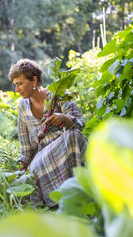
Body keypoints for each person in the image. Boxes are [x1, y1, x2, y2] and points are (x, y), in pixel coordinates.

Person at [8, 59, 88, 207]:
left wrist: (65, 119)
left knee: (74, 135)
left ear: (34, 81)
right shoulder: (23, 107)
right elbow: (25, 148)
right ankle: (62, 201)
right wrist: (18, 176)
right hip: (42, 157)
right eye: (15, 84)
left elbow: (80, 123)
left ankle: (81, 192)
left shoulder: (58, 95)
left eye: (20, 83)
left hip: (66, 149)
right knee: (39, 164)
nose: (16, 89)